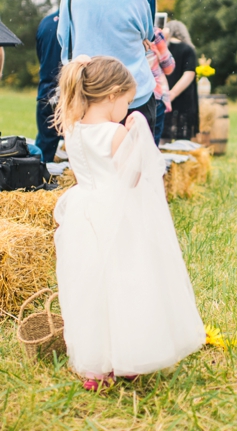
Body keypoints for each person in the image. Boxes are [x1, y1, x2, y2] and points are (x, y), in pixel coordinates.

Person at [51, 55, 205, 390]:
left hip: (84, 212)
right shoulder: (115, 134)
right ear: (111, 96)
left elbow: (81, 174)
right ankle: (129, 354)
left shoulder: (73, 132)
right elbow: (132, 179)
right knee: (127, 284)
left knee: (91, 289)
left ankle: (96, 367)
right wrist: (139, 139)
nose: (127, 108)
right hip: (118, 216)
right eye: (127, 101)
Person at [58, 0, 157, 130]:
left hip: (90, 97)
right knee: (137, 159)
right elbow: (148, 34)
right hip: (134, 95)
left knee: (94, 159)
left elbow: (65, 42)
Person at [34, 0, 76, 161]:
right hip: (68, 95)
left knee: (45, 146)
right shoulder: (75, 25)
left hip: (45, 92)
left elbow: (40, 54)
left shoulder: (45, 23)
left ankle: (36, 182)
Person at [162, 21, 199, 141]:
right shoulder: (188, 49)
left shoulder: (162, 49)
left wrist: (167, 94)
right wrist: (173, 93)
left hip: (162, 95)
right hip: (184, 98)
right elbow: (189, 74)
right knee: (182, 137)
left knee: (162, 134)